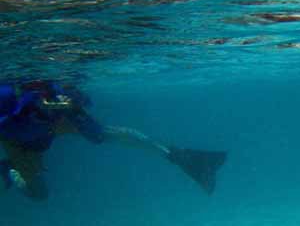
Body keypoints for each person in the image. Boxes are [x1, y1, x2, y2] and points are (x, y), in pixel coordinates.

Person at [0, 80, 227, 200]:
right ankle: (9, 170)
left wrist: (172, 155)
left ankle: (178, 156)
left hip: (43, 128)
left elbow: (100, 134)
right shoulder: (10, 106)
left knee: (109, 134)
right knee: (39, 194)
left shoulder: (62, 100)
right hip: (18, 140)